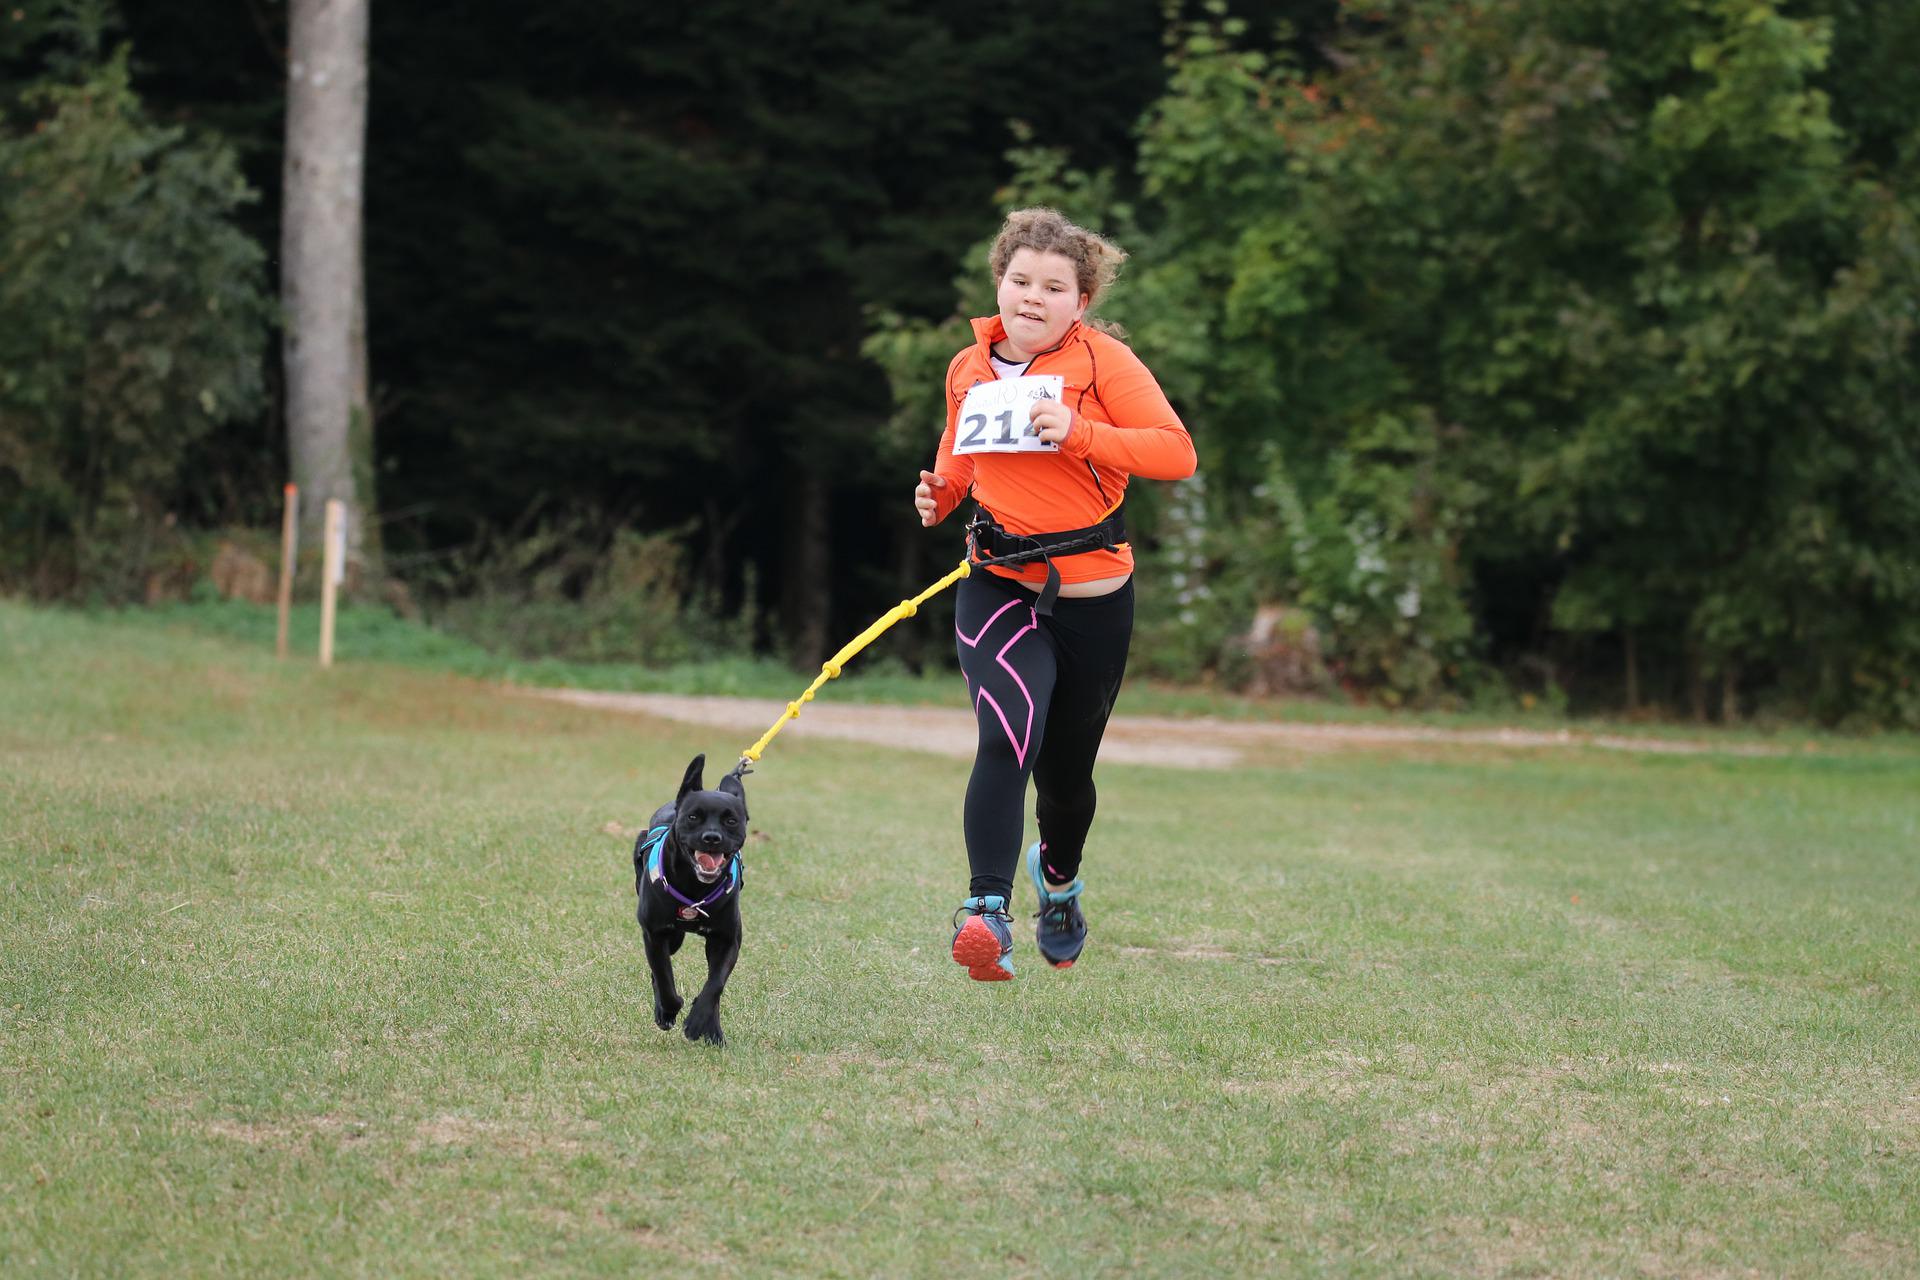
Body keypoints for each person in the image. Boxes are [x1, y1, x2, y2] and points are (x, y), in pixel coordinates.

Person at [913, 207, 1196, 981]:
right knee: (1009, 732)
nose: (1032, 297)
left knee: (1067, 780)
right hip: (999, 584)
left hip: (1095, 599)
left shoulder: (1103, 364)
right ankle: (986, 911)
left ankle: (1060, 880)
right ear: (999, 284)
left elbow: (1176, 453)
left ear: (1081, 302)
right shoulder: (967, 368)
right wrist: (939, 495)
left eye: (1053, 286)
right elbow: (959, 463)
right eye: (1019, 280)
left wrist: (1078, 432)